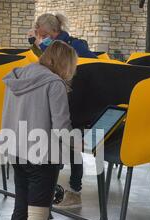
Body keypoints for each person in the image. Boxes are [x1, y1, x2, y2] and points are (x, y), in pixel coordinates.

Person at [0, 41, 78, 220]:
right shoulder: (54, 84)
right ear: (65, 63)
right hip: (43, 155)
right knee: (38, 214)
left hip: (16, 151)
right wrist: (80, 145)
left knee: (20, 209)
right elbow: (61, 126)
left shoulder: (18, 76)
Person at [28, 13, 97, 209]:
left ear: (55, 32)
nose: (41, 38)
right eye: (39, 34)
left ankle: (75, 190)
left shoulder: (77, 46)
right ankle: (50, 187)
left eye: (44, 34)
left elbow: (93, 70)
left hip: (76, 103)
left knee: (72, 145)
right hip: (56, 100)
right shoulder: (44, 46)